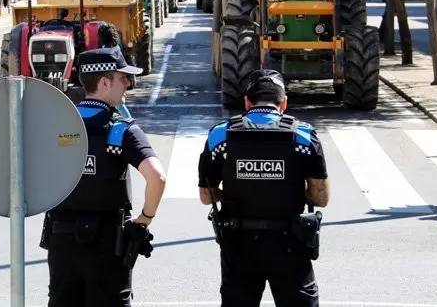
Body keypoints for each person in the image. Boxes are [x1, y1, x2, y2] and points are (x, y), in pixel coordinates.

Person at [41, 45, 167, 307]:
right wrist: (144, 220)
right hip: (106, 244)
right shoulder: (120, 131)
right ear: (104, 82)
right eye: (123, 78)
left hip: (61, 243)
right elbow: (157, 177)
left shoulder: (57, 124)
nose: (129, 84)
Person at [197, 69, 329, 307]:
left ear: (247, 102)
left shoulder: (220, 136)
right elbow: (321, 197)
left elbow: (207, 196)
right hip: (290, 242)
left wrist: (242, 188)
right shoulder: (304, 136)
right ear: (284, 103)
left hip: (239, 243)